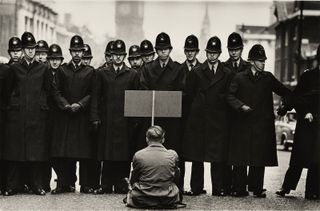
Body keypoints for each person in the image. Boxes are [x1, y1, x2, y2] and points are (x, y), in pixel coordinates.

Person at [227, 44, 292, 198]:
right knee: (241, 158)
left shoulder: (268, 78)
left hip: (261, 126)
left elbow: (286, 92)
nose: (263, 63)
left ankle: (257, 188)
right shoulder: (239, 77)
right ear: (251, 61)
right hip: (243, 124)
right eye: (260, 61)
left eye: (264, 61)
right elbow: (229, 96)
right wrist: (241, 106)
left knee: (259, 157)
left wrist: (284, 106)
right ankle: (239, 188)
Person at [183, 36, 234, 196]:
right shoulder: (196, 72)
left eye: (215, 53)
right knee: (198, 155)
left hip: (219, 120)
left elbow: (229, 96)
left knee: (217, 155)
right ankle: (196, 187)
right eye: (209, 53)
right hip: (199, 120)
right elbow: (189, 96)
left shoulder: (227, 73)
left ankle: (218, 188)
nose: (212, 56)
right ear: (205, 53)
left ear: (219, 53)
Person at [4, 32, 51, 196]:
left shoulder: (43, 68)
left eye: (33, 48)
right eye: (27, 49)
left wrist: (43, 107)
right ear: (22, 50)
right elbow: (8, 91)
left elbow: (48, 91)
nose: (31, 52)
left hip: (37, 116)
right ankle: (12, 185)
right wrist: (12, 108)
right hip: (18, 117)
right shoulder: (14, 68)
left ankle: (37, 185)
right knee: (15, 152)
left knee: (36, 152)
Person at [139, 32, 185, 192]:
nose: (163, 52)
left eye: (166, 49)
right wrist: (155, 100)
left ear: (170, 50)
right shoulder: (148, 68)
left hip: (172, 119)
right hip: (153, 117)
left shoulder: (179, 69)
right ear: (156, 51)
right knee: (151, 151)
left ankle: (176, 186)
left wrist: (168, 101)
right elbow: (143, 89)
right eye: (160, 49)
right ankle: (150, 185)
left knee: (172, 152)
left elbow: (183, 92)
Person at [91, 40, 139, 194]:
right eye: (115, 55)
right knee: (107, 152)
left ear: (125, 56)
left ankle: (122, 184)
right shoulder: (102, 73)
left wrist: (134, 121)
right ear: (111, 56)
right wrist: (95, 117)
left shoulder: (132, 74)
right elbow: (96, 98)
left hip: (125, 121)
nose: (118, 58)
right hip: (107, 120)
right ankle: (105, 184)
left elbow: (135, 98)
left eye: (121, 55)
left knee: (123, 154)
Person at [51, 35, 95, 194]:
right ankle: (64, 183)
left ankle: (85, 184)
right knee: (65, 152)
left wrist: (80, 104)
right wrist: (66, 105)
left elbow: (93, 93)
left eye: (79, 51)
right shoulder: (62, 70)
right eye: (74, 51)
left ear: (83, 52)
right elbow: (56, 92)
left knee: (84, 152)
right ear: (70, 52)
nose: (77, 54)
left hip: (82, 117)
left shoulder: (90, 71)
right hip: (66, 116)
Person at [276, 45, 320, 200]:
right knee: (299, 158)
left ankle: (313, 191)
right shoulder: (308, 76)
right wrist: (305, 111)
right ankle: (286, 187)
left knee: (317, 159)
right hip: (306, 122)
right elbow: (296, 97)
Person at [125, 125, 183, 209]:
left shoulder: (139, 155)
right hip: (168, 198)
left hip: (143, 197)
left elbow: (134, 178)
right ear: (163, 139)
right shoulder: (172, 155)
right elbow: (176, 178)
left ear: (147, 139)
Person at [180, 34, 205, 196]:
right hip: (181, 117)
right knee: (180, 153)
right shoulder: (178, 69)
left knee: (198, 153)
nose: (190, 54)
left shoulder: (203, 69)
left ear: (197, 51)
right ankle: (178, 186)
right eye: (187, 51)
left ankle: (197, 187)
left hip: (198, 117)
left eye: (193, 51)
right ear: (184, 51)